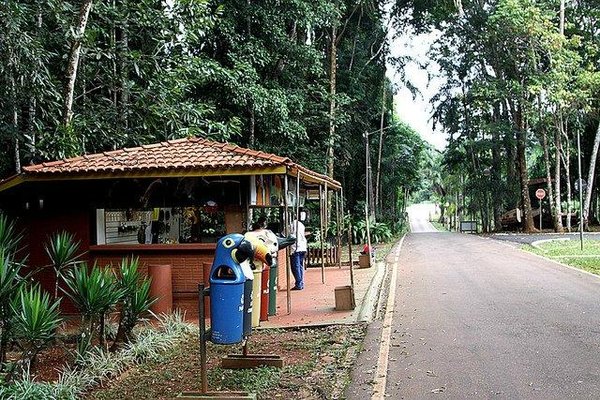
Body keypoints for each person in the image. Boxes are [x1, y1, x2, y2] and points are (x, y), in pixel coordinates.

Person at [289, 210, 309, 290]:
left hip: (295, 248)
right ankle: (300, 282)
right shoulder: (301, 225)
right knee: (300, 266)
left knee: (295, 267)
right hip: (303, 247)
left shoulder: (291, 225)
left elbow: (284, 234)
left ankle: (299, 283)